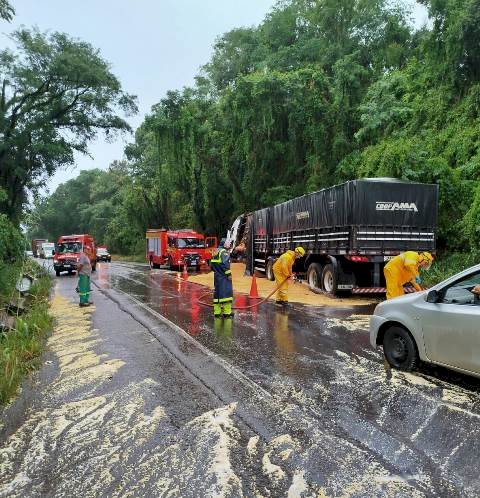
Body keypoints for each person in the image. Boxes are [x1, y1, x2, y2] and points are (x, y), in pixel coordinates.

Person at [210, 240, 234, 318]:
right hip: (224, 277)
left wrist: (217, 271)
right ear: (225, 244)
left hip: (217, 276)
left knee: (217, 294)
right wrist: (229, 274)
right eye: (229, 244)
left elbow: (211, 266)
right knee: (226, 294)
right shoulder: (224, 252)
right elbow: (225, 264)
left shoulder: (216, 251)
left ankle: (217, 312)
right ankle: (227, 312)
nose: (229, 245)